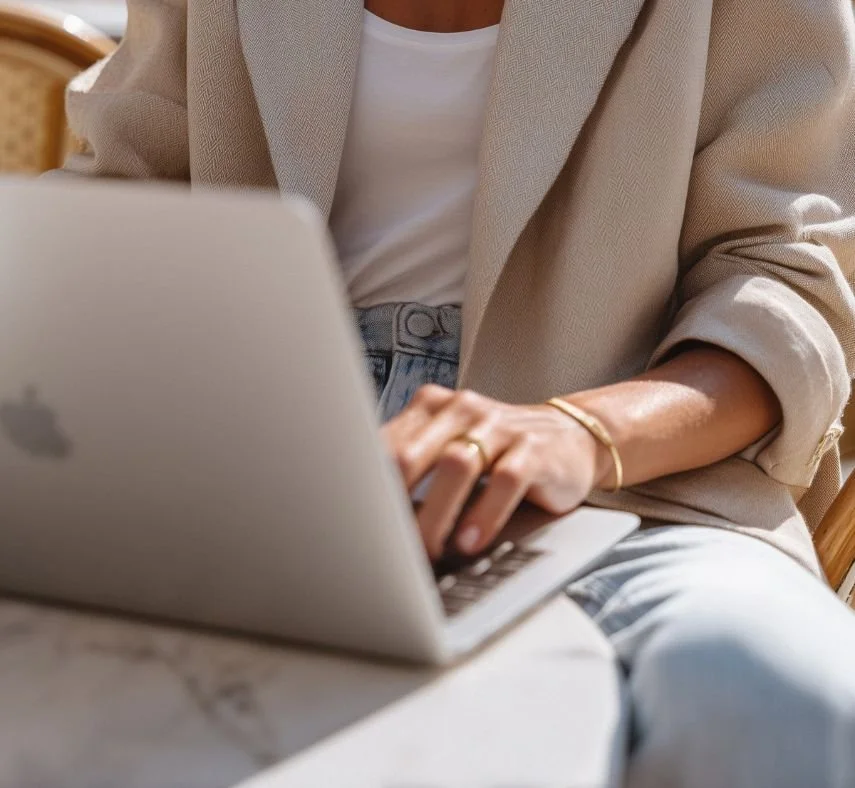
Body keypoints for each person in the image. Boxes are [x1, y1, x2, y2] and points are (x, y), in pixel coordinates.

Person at [58, 0, 855, 784]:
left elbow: (790, 291)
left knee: (776, 693)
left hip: (633, 485)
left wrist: (579, 433)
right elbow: (122, 195)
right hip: (248, 474)